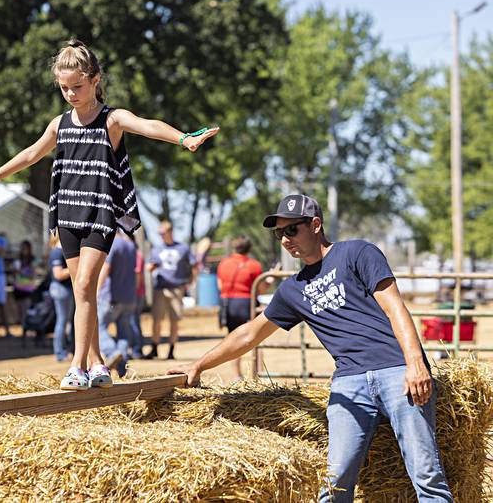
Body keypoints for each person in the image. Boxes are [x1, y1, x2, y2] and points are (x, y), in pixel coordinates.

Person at [0, 38, 218, 389]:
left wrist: (184, 138)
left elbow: (149, 124)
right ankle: (98, 363)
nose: (70, 94)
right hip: (67, 215)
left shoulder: (112, 119)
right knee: (83, 294)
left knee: (84, 286)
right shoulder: (59, 124)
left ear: (96, 79)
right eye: (64, 88)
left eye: (77, 86)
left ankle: (77, 365)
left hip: (100, 214)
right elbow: (31, 154)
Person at [168, 194, 452, 502]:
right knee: (335, 482)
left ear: (315, 225)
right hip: (349, 382)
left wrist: (415, 364)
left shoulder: (357, 252)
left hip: (396, 371)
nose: (285, 240)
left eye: (292, 230)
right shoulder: (292, 289)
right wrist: (198, 365)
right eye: (279, 234)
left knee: (426, 475)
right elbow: (249, 334)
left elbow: (395, 308)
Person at [146, 220, 198, 360]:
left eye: (163, 233)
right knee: (157, 319)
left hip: (177, 288)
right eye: (159, 234)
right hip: (160, 288)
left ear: (170, 232)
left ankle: (171, 350)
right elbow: (150, 265)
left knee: (174, 320)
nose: (161, 236)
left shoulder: (183, 248)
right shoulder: (156, 249)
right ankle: (155, 348)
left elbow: (194, 265)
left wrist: (192, 281)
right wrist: (151, 268)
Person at [216, 234, 264, 380]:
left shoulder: (223, 263)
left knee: (233, 339)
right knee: (257, 337)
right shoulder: (254, 265)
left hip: (228, 304)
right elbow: (259, 289)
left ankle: (238, 376)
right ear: (249, 248)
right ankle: (258, 373)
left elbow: (220, 285)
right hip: (246, 303)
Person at [97, 230, 141, 361]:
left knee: (97, 327)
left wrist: (97, 290)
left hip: (111, 297)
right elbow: (136, 271)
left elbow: (105, 268)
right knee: (124, 332)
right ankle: (122, 365)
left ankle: (112, 352)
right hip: (128, 297)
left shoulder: (112, 244)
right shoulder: (131, 245)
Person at [48, 233, 74, 361]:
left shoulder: (60, 251)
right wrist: (75, 266)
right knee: (62, 321)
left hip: (64, 289)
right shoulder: (57, 253)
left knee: (65, 321)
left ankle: (64, 350)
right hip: (61, 289)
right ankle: (59, 352)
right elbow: (58, 274)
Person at [13, 240, 38, 329]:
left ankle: (28, 328)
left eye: (25, 248)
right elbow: (15, 273)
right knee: (20, 311)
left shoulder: (33, 260)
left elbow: (33, 275)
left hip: (28, 289)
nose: (24, 250)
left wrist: (22, 273)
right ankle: (24, 328)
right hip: (18, 288)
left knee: (26, 310)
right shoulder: (18, 260)